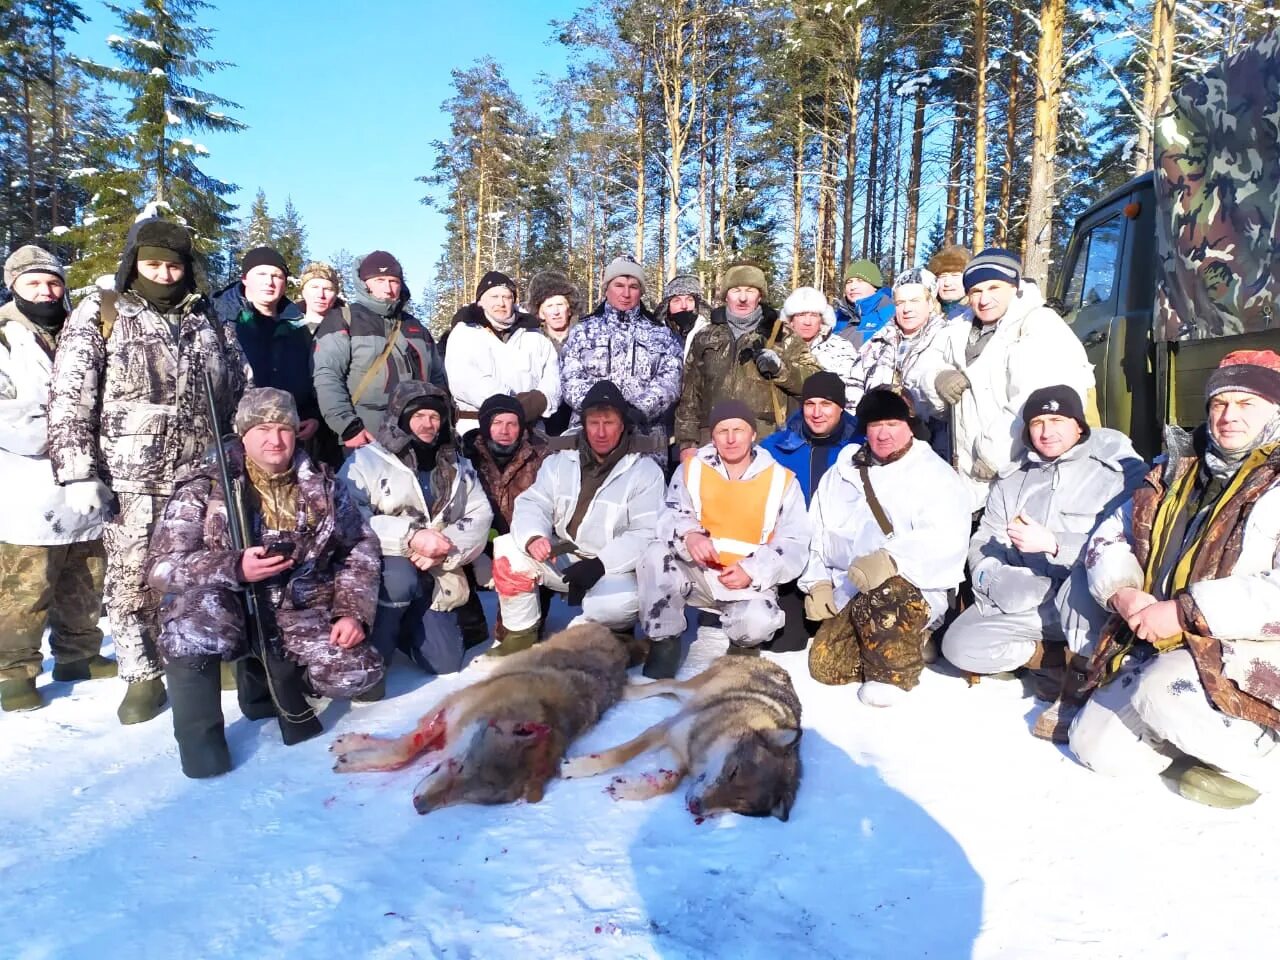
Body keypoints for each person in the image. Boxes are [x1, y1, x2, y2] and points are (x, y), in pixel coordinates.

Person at [48, 218, 250, 724]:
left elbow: (240, 388)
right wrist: (76, 470)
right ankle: (141, 675)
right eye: (153, 263)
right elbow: (71, 395)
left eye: (174, 265)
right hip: (132, 477)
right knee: (132, 576)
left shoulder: (210, 319)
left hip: (202, 475)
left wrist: (246, 450)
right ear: (134, 263)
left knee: (204, 570)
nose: (163, 273)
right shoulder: (103, 311)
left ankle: (198, 652)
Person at [1070, 352, 1280, 808]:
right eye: (1220, 404)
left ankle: (1263, 754)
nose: (1229, 416)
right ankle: (1197, 741)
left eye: (1247, 404)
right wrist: (1122, 592)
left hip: (1252, 646)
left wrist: (1186, 611)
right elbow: (1111, 531)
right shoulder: (1176, 467)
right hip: (1163, 639)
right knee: (1096, 747)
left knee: (1162, 692)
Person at [147, 388, 384, 778]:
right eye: (262, 429)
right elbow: (160, 568)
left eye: (284, 429)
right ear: (243, 434)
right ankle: (202, 744)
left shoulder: (323, 485)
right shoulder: (203, 489)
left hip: (297, 608)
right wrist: (232, 567)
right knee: (188, 630)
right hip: (222, 606)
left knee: (359, 670)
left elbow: (359, 545)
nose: (275, 440)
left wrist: (352, 613)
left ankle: (269, 685)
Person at [941, 386, 1145, 739]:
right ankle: (1052, 660)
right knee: (959, 646)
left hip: (1088, 605)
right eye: (1037, 422)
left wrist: (1055, 545)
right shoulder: (1014, 479)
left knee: (1080, 584)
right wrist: (993, 576)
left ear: (1078, 425)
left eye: (1057, 420)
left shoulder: (1115, 472)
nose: (1046, 431)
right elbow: (984, 540)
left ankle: (1080, 686)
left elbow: (1128, 546)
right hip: (1031, 598)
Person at [801, 387, 970, 706]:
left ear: (909, 425)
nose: (883, 434)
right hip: (850, 588)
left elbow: (948, 537)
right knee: (826, 667)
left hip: (910, 588)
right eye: (874, 425)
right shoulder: (842, 472)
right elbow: (817, 531)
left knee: (885, 592)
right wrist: (817, 582)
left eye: (891, 424)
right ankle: (894, 643)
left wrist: (892, 560)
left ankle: (895, 669)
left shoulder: (934, 475)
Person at [0, 246, 111, 712]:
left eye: (52, 282)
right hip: (28, 483)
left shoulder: (82, 332)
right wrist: (65, 427)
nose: (46, 291)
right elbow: (8, 417)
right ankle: (14, 671)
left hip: (88, 483)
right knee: (25, 587)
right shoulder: (5, 340)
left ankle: (78, 654)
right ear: (13, 287)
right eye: (33, 283)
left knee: (86, 576)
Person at [638, 399, 811, 678]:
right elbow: (668, 514)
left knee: (757, 622)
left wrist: (751, 570)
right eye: (722, 431)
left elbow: (794, 542)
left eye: (739, 430)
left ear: (753, 434)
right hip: (697, 573)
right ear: (713, 436)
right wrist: (689, 534)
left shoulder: (781, 480)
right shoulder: (691, 469)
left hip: (745, 581)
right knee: (655, 554)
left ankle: (742, 650)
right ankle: (664, 644)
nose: (731, 439)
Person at [490, 380, 664, 655]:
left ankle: (617, 636)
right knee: (508, 549)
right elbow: (534, 502)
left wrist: (600, 564)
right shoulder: (560, 460)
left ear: (623, 425)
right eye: (594, 423)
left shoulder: (645, 471)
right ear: (584, 424)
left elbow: (645, 533)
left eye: (609, 422)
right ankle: (520, 635)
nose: (601, 432)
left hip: (610, 567)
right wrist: (535, 536)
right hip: (564, 555)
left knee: (614, 605)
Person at [918, 248, 1095, 512]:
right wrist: (937, 377)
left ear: (1015, 286)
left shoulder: (1039, 325)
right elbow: (925, 362)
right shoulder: (959, 327)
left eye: (994, 287)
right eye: (976, 291)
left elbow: (1034, 399)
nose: (984, 299)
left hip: (1023, 465)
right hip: (967, 469)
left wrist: (994, 454)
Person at [340, 382, 492, 681]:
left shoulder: (455, 463)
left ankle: (406, 629)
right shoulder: (365, 460)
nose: (428, 423)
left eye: (434, 417)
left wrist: (446, 546)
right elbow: (350, 515)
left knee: (446, 663)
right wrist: (411, 537)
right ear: (400, 417)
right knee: (400, 578)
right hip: (385, 564)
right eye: (419, 415)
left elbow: (480, 512)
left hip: (437, 565)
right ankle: (375, 653)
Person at [675, 263, 820, 456]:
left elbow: (814, 382)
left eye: (750, 291)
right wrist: (687, 443)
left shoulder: (782, 336)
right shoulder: (706, 336)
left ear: (760, 296)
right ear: (726, 295)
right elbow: (689, 394)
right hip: (711, 441)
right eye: (736, 290)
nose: (743, 298)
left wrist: (780, 369)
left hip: (766, 443)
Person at [313, 250, 446, 451]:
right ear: (364, 283)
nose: (388, 288)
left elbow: (437, 378)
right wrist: (348, 426)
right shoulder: (343, 320)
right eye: (380, 280)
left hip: (417, 436)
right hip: (365, 435)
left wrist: (440, 418)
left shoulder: (416, 327)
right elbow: (326, 377)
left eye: (393, 281)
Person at [560, 255, 684, 457]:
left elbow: (670, 381)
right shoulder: (583, 331)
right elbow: (570, 378)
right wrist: (601, 414)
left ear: (641, 292)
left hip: (644, 438)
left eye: (633, 287)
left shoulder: (661, 333)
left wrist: (637, 411)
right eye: (619, 285)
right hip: (591, 437)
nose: (626, 293)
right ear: (606, 288)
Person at [462, 393, 555, 645]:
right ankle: (470, 619)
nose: (504, 430)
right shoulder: (465, 455)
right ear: (485, 425)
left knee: (517, 634)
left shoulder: (542, 456)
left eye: (512, 424)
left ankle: (530, 619)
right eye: (497, 423)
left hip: (523, 541)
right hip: (479, 540)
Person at [213, 246, 322, 447]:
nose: (269, 282)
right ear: (245, 278)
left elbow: (309, 376)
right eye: (261, 274)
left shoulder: (296, 326)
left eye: (277, 276)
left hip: (285, 437)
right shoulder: (217, 319)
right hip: (232, 437)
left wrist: (312, 415)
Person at [848, 267, 954, 453]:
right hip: (878, 444)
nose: (906, 309)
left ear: (930, 303)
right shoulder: (877, 341)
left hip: (930, 447)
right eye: (900, 302)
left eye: (915, 301)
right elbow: (853, 390)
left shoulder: (948, 338)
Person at [444, 270, 561, 435]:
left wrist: (539, 401)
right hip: (478, 428)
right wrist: (511, 405)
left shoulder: (533, 334)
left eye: (507, 297)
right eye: (494, 297)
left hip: (531, 429)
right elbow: (464, 380)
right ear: (480, 301)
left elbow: (552, 376)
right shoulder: (464, 333)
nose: (501, 303)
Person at [760, 372, 862, 507]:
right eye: (810, 404)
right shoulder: (773, 449)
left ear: (841, 407)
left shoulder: (862, 450)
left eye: (826, 404)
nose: (816, 413)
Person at [780, 286, 860, 408]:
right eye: (801, 315)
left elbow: (851, 392)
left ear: (822, 320)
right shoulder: (778, 348)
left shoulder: (841, 348)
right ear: (790, 320)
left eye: (813, 315)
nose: (807, 322)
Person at [528, 269, 583, 434]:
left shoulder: (586, 336)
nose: (556, 311)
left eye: (560, 304)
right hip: (544, 421)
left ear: (570, 308)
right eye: (549, 306)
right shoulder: (532, 340)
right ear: (540, 312)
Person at [832, 260, 895, 347]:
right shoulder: (836, 318)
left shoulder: (890, 314)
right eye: (849, 282)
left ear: (874, 286)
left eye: (860, 281)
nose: (853, 287)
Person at [654, 273, 710, 356]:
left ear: (698, 304)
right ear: (667, 305)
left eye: (689, 300)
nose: (684, 306)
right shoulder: (653, 335)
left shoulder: (711, 332)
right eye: (677, 301)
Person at [297, 260, 343, 334]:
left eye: (327, 289)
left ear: (336, 294)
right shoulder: (287, 328)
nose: (321, 295)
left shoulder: (349, 327)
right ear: (303, 292)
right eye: (314, 287)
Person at [927, 244, 972, 319]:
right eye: (942, 276)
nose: (947, 283)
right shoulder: (925, 313)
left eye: (955, 275)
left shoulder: (977, 313)